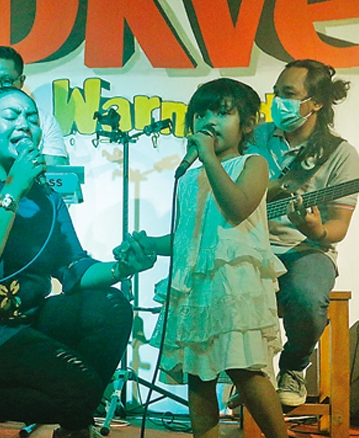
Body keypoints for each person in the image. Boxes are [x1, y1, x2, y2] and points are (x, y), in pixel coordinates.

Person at [0, 87, 155, 438]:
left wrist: (123, 268)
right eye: (11, 116)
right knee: (82, 390)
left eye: (32, 118)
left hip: (25, 322)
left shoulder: (47, 198)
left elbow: (74, 269)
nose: (24, 125)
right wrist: (13, 188)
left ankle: (73, 423)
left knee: (111, 305)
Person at [119, 79, 288, 437]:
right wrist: (148, 243)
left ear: (248, 124)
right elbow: (186, 237)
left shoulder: (253, 164)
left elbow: (237, 208)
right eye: (201, 113)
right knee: (197, 375)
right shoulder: (189, 178)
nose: (209, 120)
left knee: (245, 370)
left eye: (222, 113)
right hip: (196, 285)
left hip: (232, 285)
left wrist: (209, 158)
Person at [245, 59, 359, 406]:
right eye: (276, 92)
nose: (278, 101)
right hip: (248, 244)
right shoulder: (253, 137)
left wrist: (317, 229)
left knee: (308, 299)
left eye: (289, 94)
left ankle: (294, 366)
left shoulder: (341, 154)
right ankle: (245, 372)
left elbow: (338, 227)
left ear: (317, 102)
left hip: (306, 249)